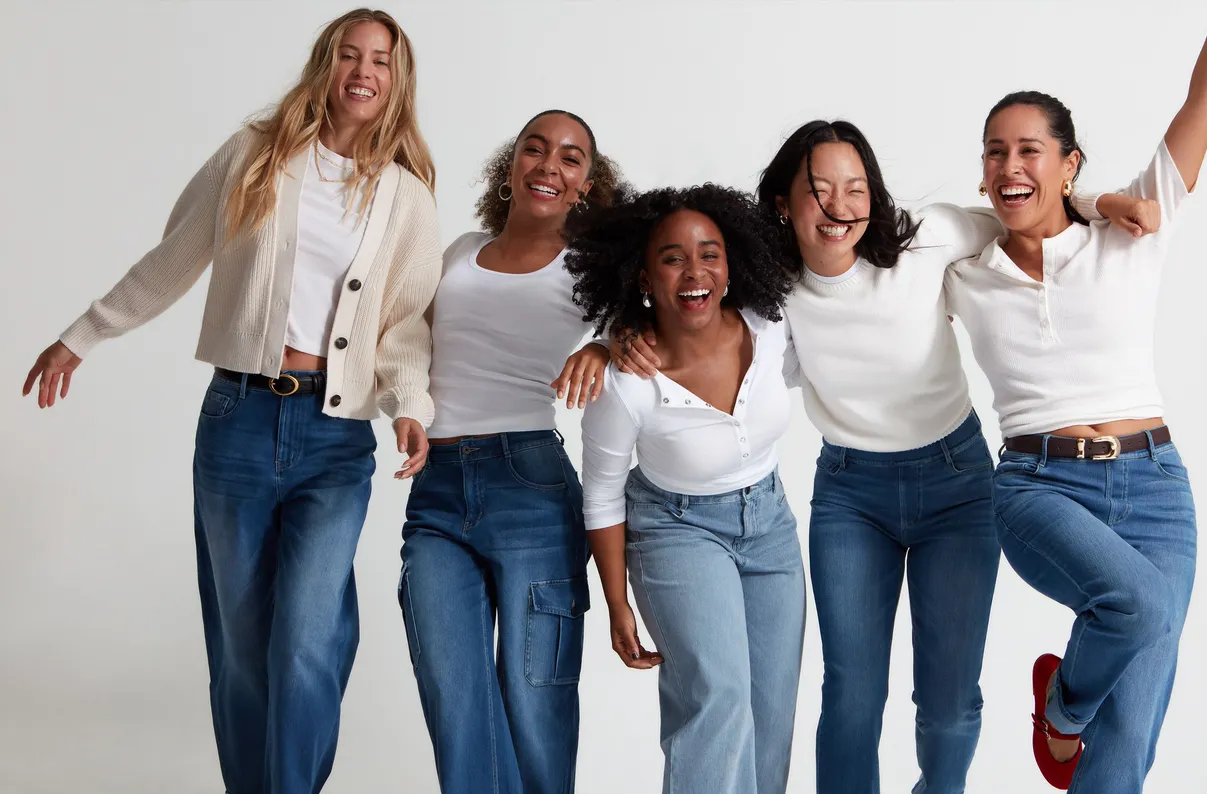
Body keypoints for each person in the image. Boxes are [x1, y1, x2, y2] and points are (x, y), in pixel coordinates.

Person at [612, 123, 1148, 793]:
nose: (839, 206)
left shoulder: (926, 237)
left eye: (855, 188)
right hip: (852, 496)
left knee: (950, 703)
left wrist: (1097, 201)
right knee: (852, 694)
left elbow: (1025, 213)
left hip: (956, 484)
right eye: (819, 190)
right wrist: (615, 335)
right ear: (783, 202)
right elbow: (685, 313)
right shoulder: (769, 291)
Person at [21, 9, 441, 793]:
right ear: (325, 64)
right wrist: (84, 334)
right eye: (349, 55)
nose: (363, 71)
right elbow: (175, 255)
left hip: (335, 438)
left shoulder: (406, 198)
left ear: (397, 81)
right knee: (244, 646)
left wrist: (411, 404)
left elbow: (407, 324)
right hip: (238, 422)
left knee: (308, 638)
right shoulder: (256, 155)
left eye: (381, 61)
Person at [945, 2, 1207, 790]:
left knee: (1131, 736)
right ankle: (1062, 711)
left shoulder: (1133, 231)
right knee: (1141, 607)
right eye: (994, 152)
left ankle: (1075, 724)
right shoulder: (963, 272)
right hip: (1038, 486)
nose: (1010, 166)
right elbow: (861, 259)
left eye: (1029, 150)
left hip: (1157, 488)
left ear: (1069, 163)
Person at [397, 109, 648, 794]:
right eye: (535, 150)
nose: (549, 166)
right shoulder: (460, 251)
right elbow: (410, 340)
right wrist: (407, 404)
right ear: (510, 167)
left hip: (530, 485)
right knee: (455, 699)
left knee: (537, 705)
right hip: (437, 492)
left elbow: (649, 322)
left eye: (570, 158)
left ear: (587, 185)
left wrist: (603, 345)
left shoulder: (592, 268)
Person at [566, 185, 803, 794]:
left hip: (770, 524)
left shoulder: (770, 325)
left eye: (709, 254)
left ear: (732, 264)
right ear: (645, 277)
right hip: (676, 530)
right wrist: (617, 601)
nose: (695, 271)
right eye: (673, 258)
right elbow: (601, 495)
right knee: (718, 698)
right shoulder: (627, 382)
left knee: (770, 708)